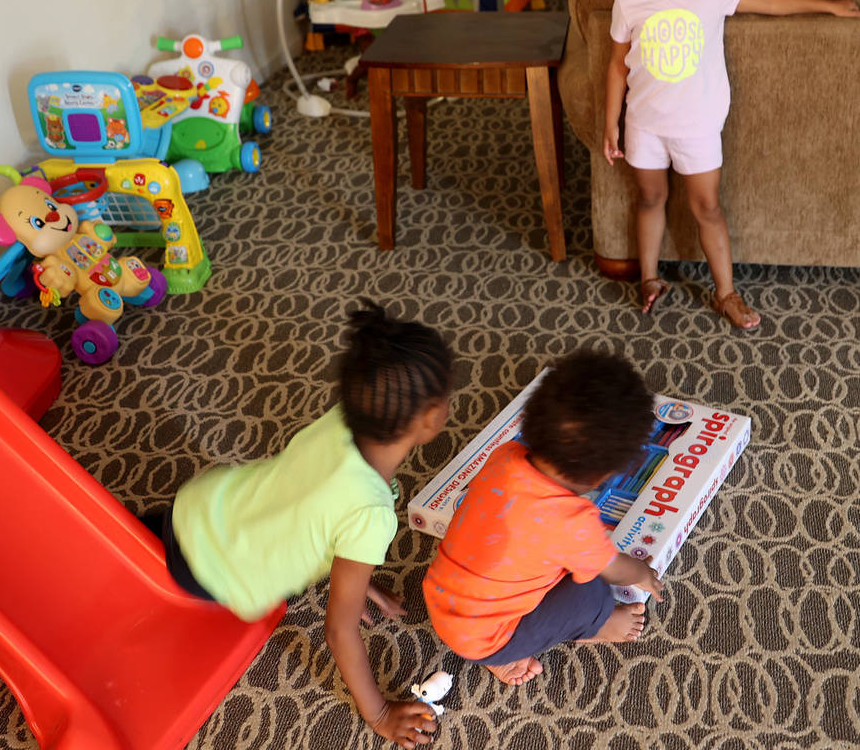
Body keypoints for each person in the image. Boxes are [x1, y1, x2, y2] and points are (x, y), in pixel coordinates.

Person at [143, 300, 453, 749]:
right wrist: (381, 713)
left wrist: (354, 571)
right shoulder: (370, 515)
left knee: (134, 538)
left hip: (197, 508)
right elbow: (339, 629)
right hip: (214, 571)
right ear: (431, 418)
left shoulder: (341, 421)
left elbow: (315, 502)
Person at [603, 0, 860, 329]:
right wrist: (611, 123)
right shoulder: (628, 2)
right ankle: (648, 278)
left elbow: (772, 1)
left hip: (697, 127)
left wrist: (828, 5)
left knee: (707, 208)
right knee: (649, 199)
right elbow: (616, 65)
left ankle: (726, 292)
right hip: (643, 124)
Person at [423, 349, 663, 687]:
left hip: (442, 604)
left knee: (556, 563)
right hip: (490, 638)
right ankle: (588, 629)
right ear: (601, 476)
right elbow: (613, 567)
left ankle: (499, 654)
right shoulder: (572, 521)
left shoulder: (505, 456)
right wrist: (643, 573)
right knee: (593, 593)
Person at [329, 0, 387, 98]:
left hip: (383, 22)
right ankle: (353, 79)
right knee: (371, 57)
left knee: (390, 54)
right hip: (363, 27)